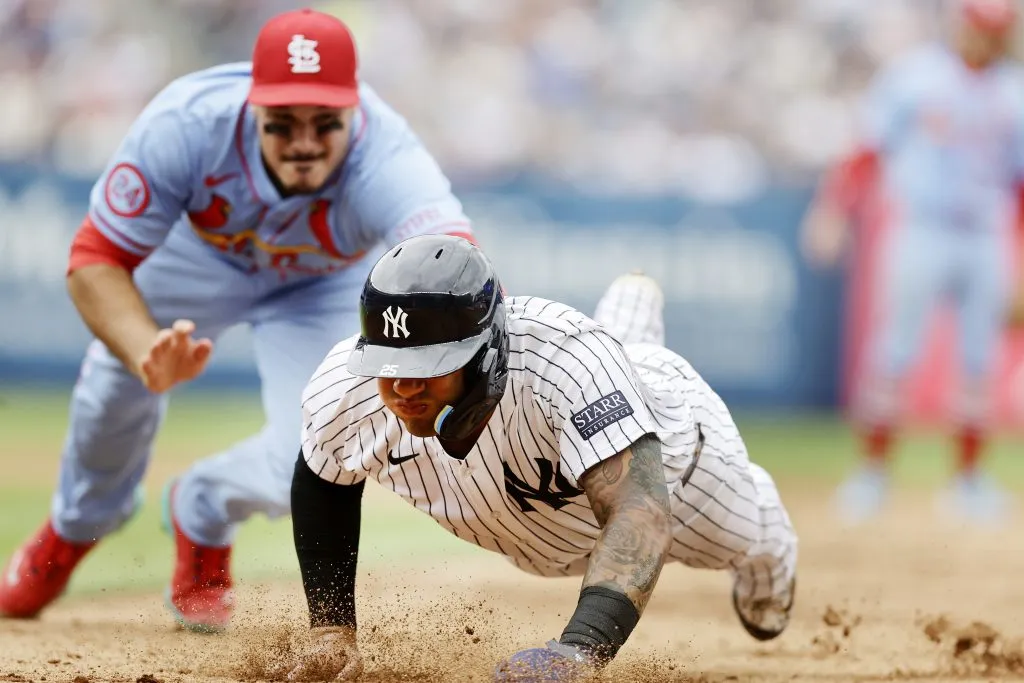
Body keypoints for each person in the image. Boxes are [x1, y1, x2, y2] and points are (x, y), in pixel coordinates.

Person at [0, 9, 476, 631]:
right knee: (112, 390)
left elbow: (454, 264)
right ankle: (74, 528)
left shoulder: (387, 155)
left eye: (325, 122)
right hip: (198, 258)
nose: (304, 141)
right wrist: (145, 347)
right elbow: (94, 259)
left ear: (355, 111)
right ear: (250, 107)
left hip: (318, 283)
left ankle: (201, 507)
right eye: (282, 123)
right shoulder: (188, 123)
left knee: (311, 453)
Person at [276, 234, 798, 681]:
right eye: (390, 362)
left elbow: (641, 512)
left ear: (487, 352)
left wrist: (581, 650)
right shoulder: (346, 391)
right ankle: (626, 329)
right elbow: (323, 481)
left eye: (431, 363)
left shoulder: (564, 359)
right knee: (595, 393)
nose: (403, 386)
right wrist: (330, 627)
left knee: (742, 537)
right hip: (538, 528)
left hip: (684, 475)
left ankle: (769, 535)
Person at [801, 0, 1024, 525]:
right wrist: (833, 210)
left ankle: (968, 482)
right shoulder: (917, 75)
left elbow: (1020, 185)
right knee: (894, 352)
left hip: (984, 235)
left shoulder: (1013, 91)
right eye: (978, 28)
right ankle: (872, 475)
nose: (983, 39)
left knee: (978, 362)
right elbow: (867, 148)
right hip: (922, 227)